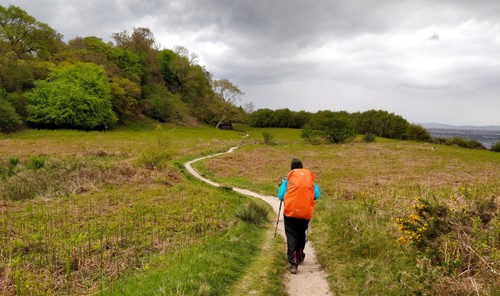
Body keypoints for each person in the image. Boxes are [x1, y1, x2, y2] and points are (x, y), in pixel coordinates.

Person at [277, 158, 320, 274]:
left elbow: (280, 196)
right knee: (301, 233)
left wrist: (283, 185)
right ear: (302, 167)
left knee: (292, 235)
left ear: (291, 168)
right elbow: (316, 195)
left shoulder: (288, 179)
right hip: (305, 213)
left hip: (291, 212)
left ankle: (293, 263)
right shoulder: (310, 179)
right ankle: (300, 255)